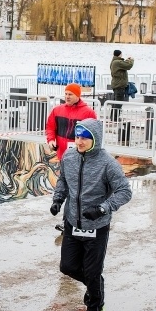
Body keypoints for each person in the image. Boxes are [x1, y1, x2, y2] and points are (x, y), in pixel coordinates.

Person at [50, 118, 132, 311]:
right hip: (72, 223)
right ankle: (96, 285)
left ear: (95, 139)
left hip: (97, 227)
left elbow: (125, 191)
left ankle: (95, 305)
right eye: (78, 137)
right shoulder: (69, 157)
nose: (79, 141)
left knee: (92, 271)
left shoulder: (108, 163)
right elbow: (63, 181)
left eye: (85, 138)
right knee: (67, 267)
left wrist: (103, 208)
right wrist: (58, 199)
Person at [45, 83, 97, 231]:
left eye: (70, 94)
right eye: (66, 93)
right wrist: (51, 140)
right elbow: (50, 128)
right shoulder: (57, 110)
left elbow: (95, 135)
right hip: (64, 157)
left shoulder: (88, 113)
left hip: (81, 158)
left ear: (78, 95)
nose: (67, 97)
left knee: (76, 190)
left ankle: (73, 221)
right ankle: (67, 220)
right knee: (65, 187)